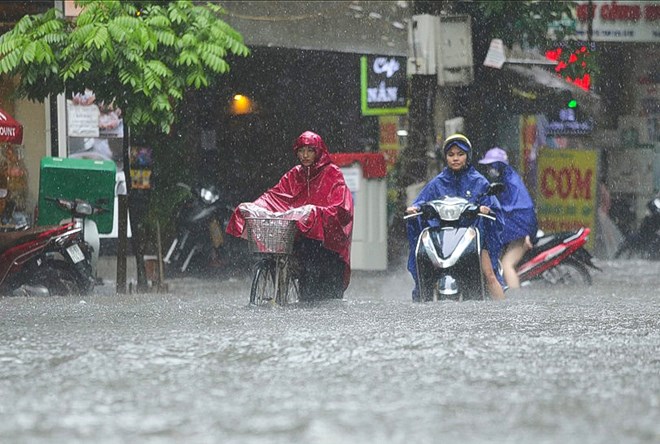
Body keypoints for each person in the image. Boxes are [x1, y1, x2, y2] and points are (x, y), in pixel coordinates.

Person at [226, 130, 354, 300]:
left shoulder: (332, 173)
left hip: (327, 241)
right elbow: (274, 196)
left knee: (326, 291)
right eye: (301, 151)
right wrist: (255, 207)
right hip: (302, 238)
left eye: (310, 150)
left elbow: (340, 207)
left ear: (318, 152)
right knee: (306, 280)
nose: (305, 155)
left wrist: (316, 214)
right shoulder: (294, 175)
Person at [405, 134, 506, 301]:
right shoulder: (438, 182)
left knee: (489, 274)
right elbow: (422, 200)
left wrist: (486, 210)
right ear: (445, 157)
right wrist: (415, 208)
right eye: (451, 155)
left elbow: (493, 205)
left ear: (468, 156)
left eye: (460, 154)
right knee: (425, 268)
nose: (455, 158)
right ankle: (423, 303)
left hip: (473, 238)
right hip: (442, 239)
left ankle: (503, 313)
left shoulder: (478, 181)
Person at [478, 147, 537, 290]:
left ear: (500, 165)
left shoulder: (508, 181)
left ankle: (515, 302)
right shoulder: (508, 178)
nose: (490, 169)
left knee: (506, 265)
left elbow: (510, 210)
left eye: (492, 165)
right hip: (521, 229)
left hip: (519, 228)